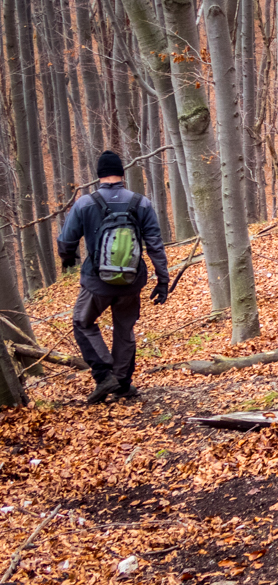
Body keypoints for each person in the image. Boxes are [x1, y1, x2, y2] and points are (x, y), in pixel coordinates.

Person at [57, 151, 170, 404]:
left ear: (98, 176)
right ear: (122, 173)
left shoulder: (85, 203)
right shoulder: (141, 203)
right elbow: (155, 245)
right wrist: (163, 280)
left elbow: (66, 240)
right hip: (131, 282)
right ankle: (122, 384)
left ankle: (103, 373)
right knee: (124, 329)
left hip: (96, 283)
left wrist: (68, 259)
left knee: (82, 322)